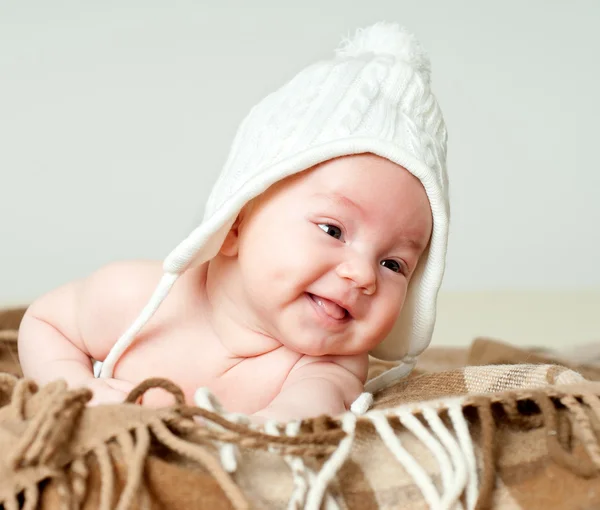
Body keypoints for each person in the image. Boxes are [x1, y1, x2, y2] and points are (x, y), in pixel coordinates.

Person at [18, 22, 450, 422]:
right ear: (236, 222)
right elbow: (45, 322)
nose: (362, 275)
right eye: (333, 230)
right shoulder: (135, 298)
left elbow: (301, 417)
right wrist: (76, 388)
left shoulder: (325, 367)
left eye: (394, 264)